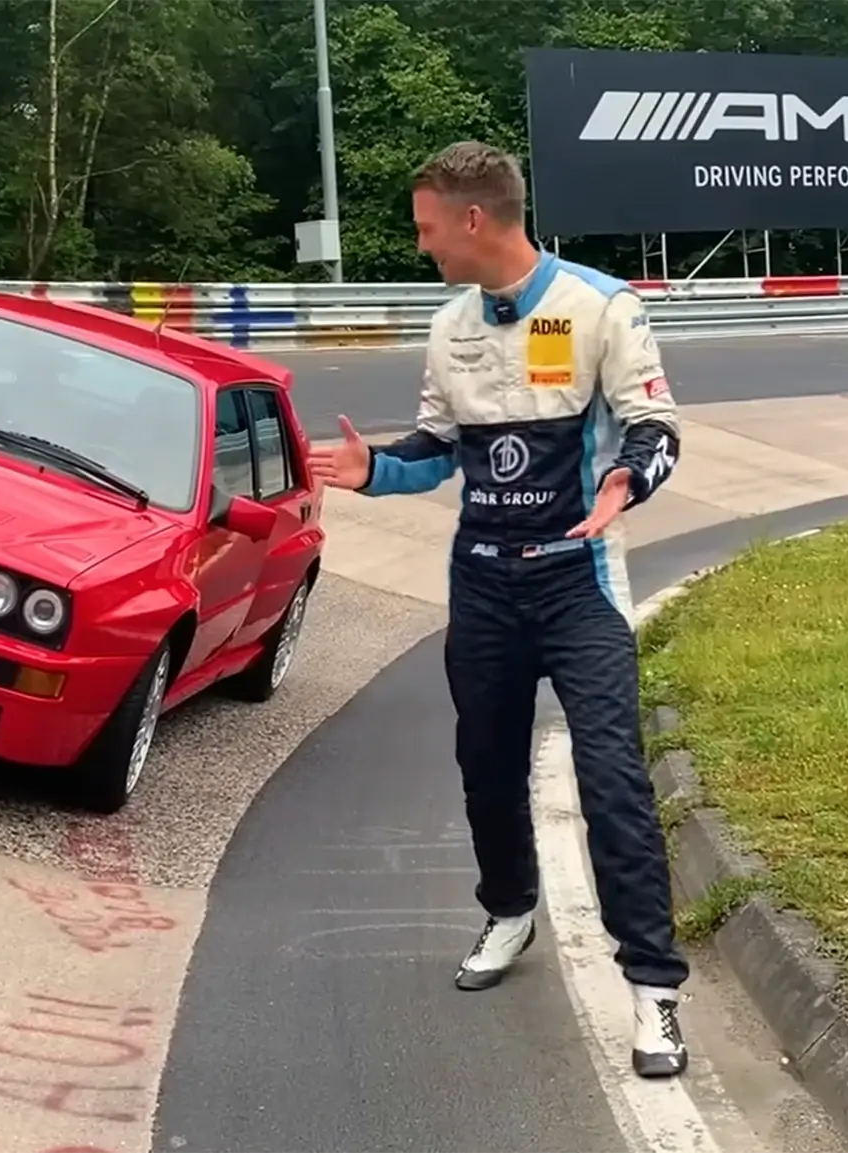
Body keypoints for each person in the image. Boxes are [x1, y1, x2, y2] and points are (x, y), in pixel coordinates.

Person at [308, 140, 690, 1079]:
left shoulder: (603, 306)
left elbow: (657, 427)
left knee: (613, 781)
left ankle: (653, 993)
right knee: (484, 766)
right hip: (481, 585)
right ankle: (510, 910)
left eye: (429, 228)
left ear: (474, 221)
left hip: (578, 586)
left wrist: (624, 483)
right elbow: (438, 449)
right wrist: (375, 472)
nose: (425, 245)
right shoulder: (448, 327)